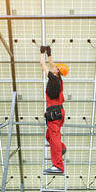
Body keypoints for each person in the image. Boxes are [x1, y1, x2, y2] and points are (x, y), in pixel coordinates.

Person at [40, 45, 69, 174]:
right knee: (50, 136)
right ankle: (61, 148)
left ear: (57, 71)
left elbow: (43, 65)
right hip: (57, 112)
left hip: (54, 113)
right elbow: (51, 66)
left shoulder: (53, 79)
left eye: (56, 68)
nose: (54, 67)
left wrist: (42, 53)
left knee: (55, 138)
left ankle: (58, 165)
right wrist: (49, 54)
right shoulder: (58, 80)